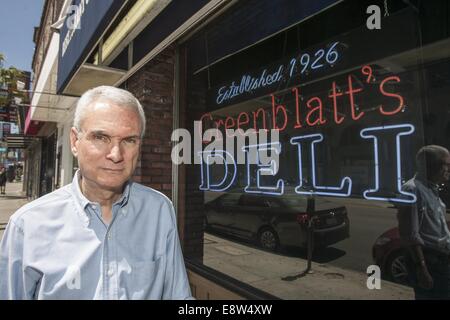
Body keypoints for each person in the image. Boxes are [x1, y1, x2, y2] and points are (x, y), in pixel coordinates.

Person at [0, 86, 193, 300]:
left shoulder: (159, 211)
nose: (116, 154)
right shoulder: (27, 225)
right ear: (74, 142)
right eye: (101, 137)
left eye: (129, 140)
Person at [397, 145, 450, 299]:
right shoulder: (412, 190)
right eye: (445, 164)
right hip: (429, 261)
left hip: (440, 260)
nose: (448, 168)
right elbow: (410, 234)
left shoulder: (432, 188)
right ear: (429, 166)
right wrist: (422, 268)